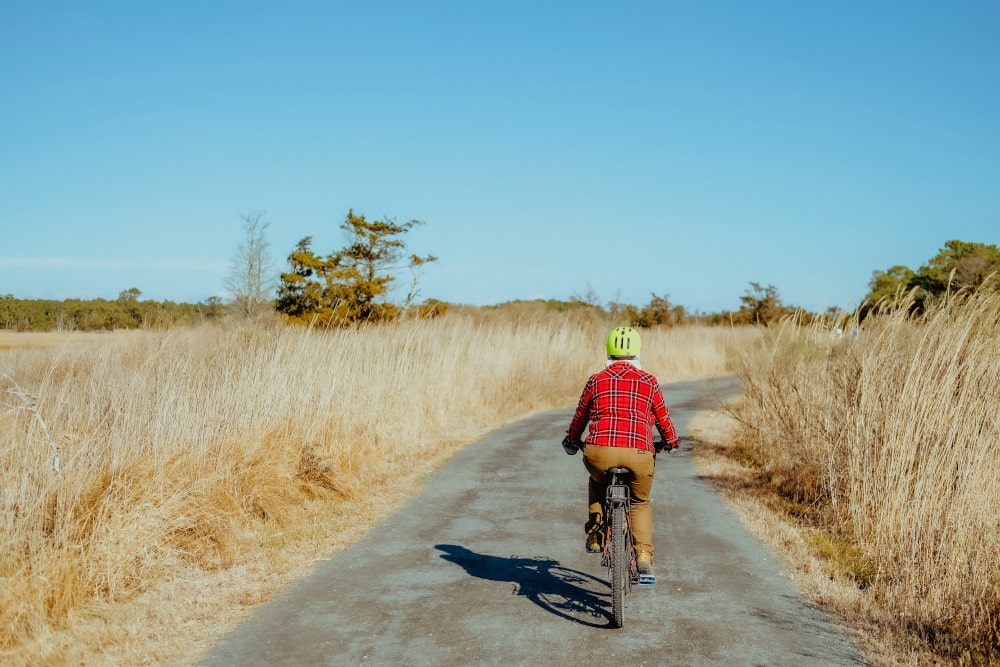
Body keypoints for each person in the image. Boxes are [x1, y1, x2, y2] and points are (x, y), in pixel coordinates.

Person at [562, 326, 681, 575]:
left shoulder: (596, 380)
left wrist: (572, 440)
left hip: (599, 452)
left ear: (608, 351)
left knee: (597, 481)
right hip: (639, 453)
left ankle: (595, 536)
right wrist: (671, 442)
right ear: (637, 352)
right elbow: (663, 420)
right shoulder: (649, 381)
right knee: (639, 502)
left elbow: (580, 418)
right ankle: (644, 555)